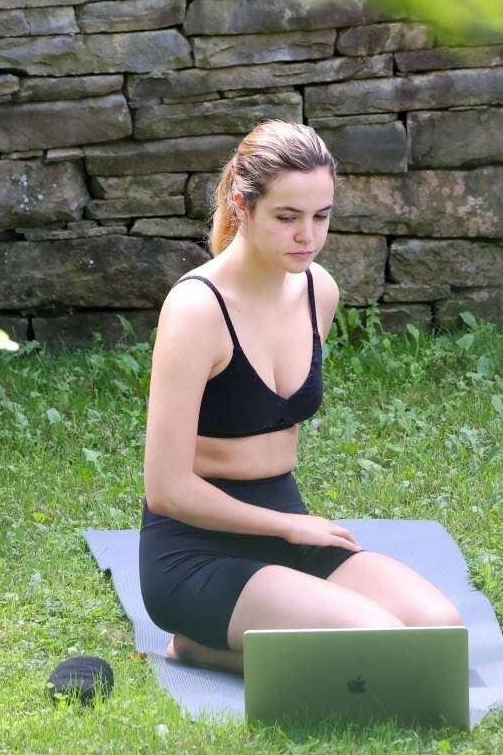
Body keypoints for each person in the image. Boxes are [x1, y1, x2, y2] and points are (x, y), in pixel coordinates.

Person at [140, 120, 462, 673]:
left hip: (287, 530)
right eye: (287, 217)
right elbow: (166, 490)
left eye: (321, 216)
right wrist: (287, 525)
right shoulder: (197, 309)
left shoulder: (319, 291)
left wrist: (291, 527)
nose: (307, 237)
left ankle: (235, 640)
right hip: (196, 552)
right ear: (242, 206)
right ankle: (199, 644)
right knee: (378, 642)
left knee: (440, 632)